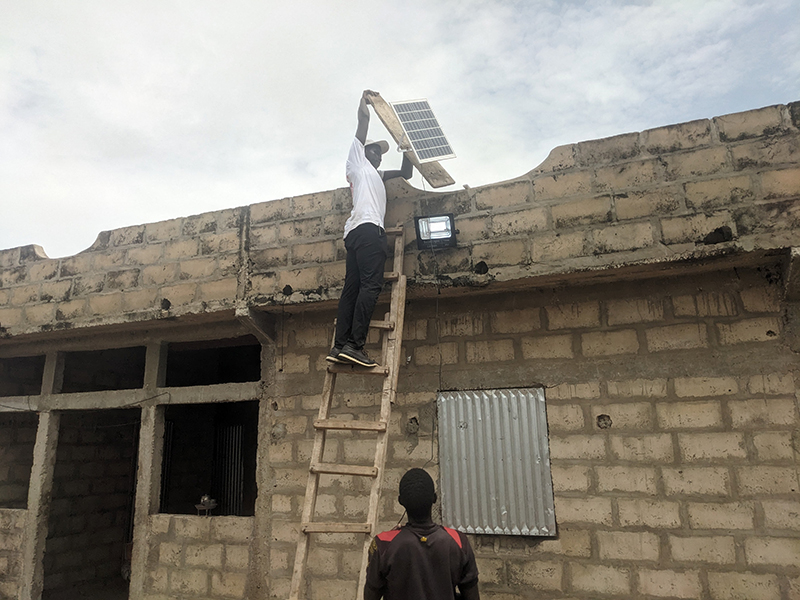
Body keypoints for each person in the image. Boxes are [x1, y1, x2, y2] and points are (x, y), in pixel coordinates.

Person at [326, 90, 413, 368]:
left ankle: (339, 346)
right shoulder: (357, 164)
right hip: (367, 230)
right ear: (363, 152)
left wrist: (408, 150)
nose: (377, 154)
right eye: (373, 150)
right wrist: (364, 103)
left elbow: (406, 173)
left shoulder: (375, 174)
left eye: (379, 153)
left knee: (352, 289)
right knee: (370, 286)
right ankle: (354, 345)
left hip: (355, 234)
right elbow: (362, 125)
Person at [364, 468, 480, 600]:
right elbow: (472, 596)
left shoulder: (383, 545)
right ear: (435, 498)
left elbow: (370, 595)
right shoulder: (458, 541)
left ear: (400, 501)